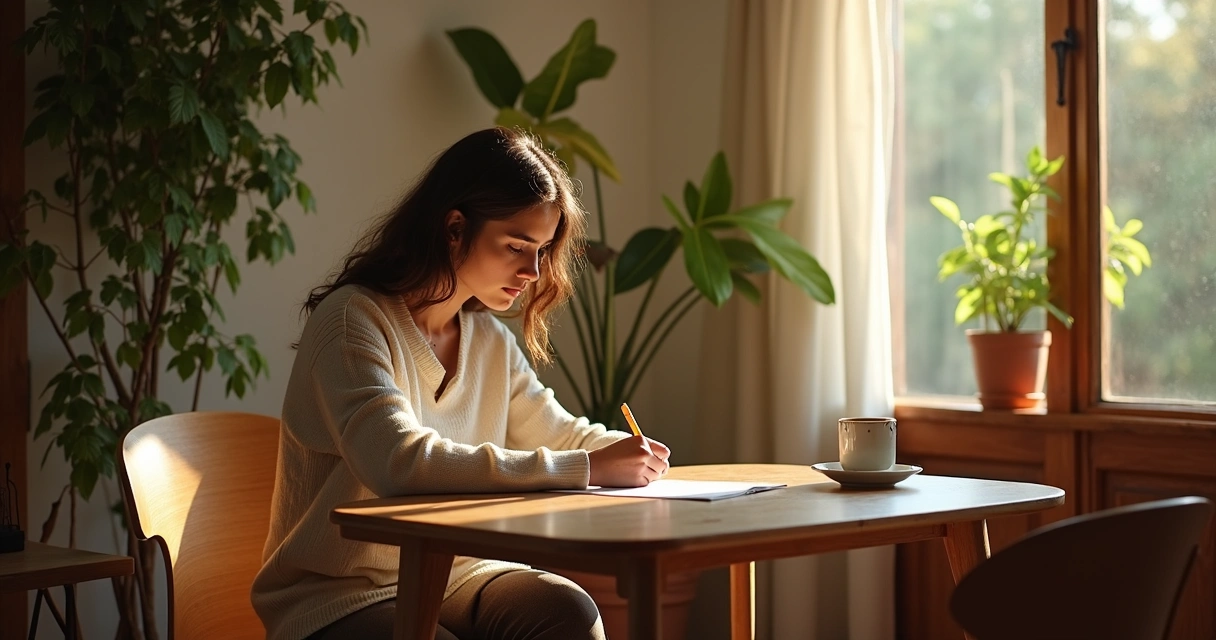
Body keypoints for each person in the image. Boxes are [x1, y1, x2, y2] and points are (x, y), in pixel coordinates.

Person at [251, 127, 671, 640]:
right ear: (454, 227)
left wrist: (628, 454)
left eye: (541, 250)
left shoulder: (487, 339)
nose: (533, 271)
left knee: (569, 614)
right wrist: (587, 466)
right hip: (338, 595)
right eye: (517, 246)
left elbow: (558, 433)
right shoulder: (352, 322)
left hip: (458, 573)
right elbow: (398, 461)